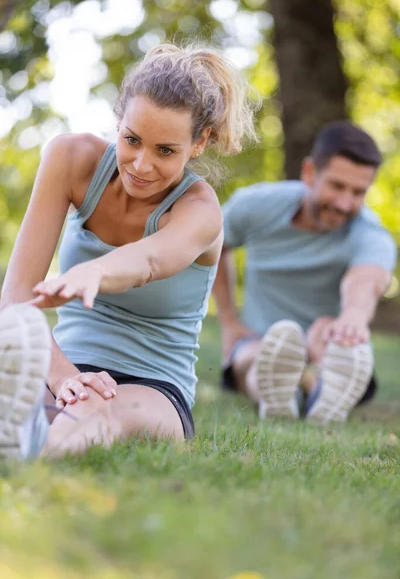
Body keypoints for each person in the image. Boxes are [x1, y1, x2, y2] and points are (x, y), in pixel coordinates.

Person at [0, 42, 258, 460]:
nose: (140, 164)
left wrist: (96, 273)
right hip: (65, 364)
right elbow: (15, 300)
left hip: (153, 386)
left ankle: (34, 452)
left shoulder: (200, 210)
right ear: (118, 120)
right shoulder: (70, 158)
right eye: (132, 139)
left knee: (95, 410)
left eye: (165, 151)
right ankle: (30, 420)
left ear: (199, 143)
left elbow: (152, 259)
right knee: (70, 393)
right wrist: (64, 376)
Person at [213, 121, 397, 424]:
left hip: (327, 347)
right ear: (310, 173)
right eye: (337, 186)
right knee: (253, 357)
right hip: (261, 340)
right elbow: (213, 243)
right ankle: (302, 392)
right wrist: (229, 320)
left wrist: (350, 319)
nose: (345, 203)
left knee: (338, 356)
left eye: (358, 192)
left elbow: (366, 281)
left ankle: (314, 387)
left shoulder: (371, 235)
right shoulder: (257, 206)